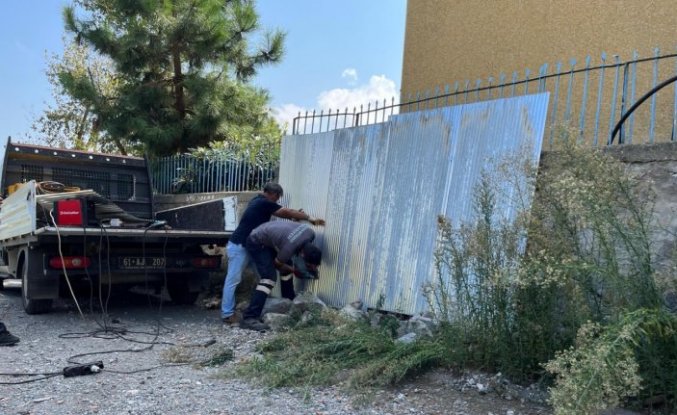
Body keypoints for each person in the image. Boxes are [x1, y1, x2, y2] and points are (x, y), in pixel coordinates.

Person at [221, 182, 325, 324]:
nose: (277, 201)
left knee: (265, 277)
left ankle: (284, 300)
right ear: (271, 194)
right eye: (277, 198)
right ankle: (228, 314)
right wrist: (309, 218)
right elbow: (285, 212)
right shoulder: (263, 202)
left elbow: (286, 213)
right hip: (240, 246)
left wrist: (296, 216)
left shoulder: (258, 202)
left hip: (254, 244)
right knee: (234, 279)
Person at [239, 221, 323, 331]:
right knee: (269, 278)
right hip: (256, 242)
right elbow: (278, 265)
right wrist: (295, 270)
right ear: (303, 254)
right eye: (308, 265)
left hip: (269, 235)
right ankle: (249, 317)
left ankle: (288, 302)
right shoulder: (288, 249)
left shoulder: (310, 233)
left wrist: (308, 268)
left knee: (287, 264)